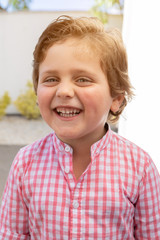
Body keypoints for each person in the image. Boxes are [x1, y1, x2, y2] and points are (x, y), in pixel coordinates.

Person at [0, 15, 160, 240]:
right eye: (51, 79)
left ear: (116, 98)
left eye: (83, 79)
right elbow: (12, 234)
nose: (64, 91)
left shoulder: (140, 168)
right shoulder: (25, 164)